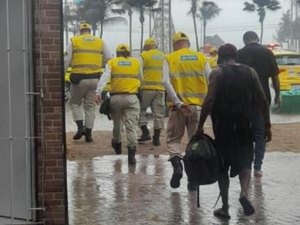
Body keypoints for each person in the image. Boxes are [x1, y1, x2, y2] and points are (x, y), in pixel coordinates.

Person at [195, 44, 272, 219]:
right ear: (236, 56)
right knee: (246, 161)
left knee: (223, 166)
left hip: (223, 126)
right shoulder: (250, 72)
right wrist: (267, 125)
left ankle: (225, 207)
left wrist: (200, 126)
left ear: (220, 58)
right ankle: (244, 193)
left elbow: (210, 99)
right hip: (246, 124)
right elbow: (262, 99)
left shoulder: (217, 73)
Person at [162, 32, 211, 190]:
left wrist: (177, 102)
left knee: (173, 140)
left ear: (175, 44)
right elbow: (211, 80)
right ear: (188, 43)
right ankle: (193, 181)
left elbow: (165, 81)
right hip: (197, 108)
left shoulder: (169, 58)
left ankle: (177, 165)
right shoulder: (201, 58)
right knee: (194, 144)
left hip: (178, 109)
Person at [237, 31, 280, 177]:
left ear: (244, 41)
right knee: (260, 133)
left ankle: (246, 164)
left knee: (244, 132)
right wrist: (278, 95)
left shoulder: (239, 53)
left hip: (242, 100)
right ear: (258, 39)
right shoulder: (267, 53)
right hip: (262, 99)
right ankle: (258, 167)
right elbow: (275, 77)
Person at [64, 22, 111, 142]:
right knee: (90, 107)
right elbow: (109, 57)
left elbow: (66, 59)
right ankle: (89, 134)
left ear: (80, 31)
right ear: (90, 31)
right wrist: (100, 66)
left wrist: (63, 73)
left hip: (79, 79)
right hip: (95, 79)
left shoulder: (75, 41)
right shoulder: (99, 41)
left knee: (74, 103)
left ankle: (80, 128)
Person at [95, 44, 141, 165]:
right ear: (129, 53)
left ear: (117, 53)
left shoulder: (113, 62)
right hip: (132, 98)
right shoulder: (136, 63)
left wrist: (98, 92)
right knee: (131, 126)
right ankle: (131, 154)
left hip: (116, 98)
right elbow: (141, 79)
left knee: (117, 124)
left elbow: (105, 77)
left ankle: (117, 145)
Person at [138, 38, 166, 146]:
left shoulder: (143, 56)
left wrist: (140, 86)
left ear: (145, 47)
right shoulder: (163, 57)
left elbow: (139, 72)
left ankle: (145, 132)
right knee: (159, 114)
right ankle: (156, 138)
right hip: (160, 88)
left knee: (140, 110)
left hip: (146, 88)